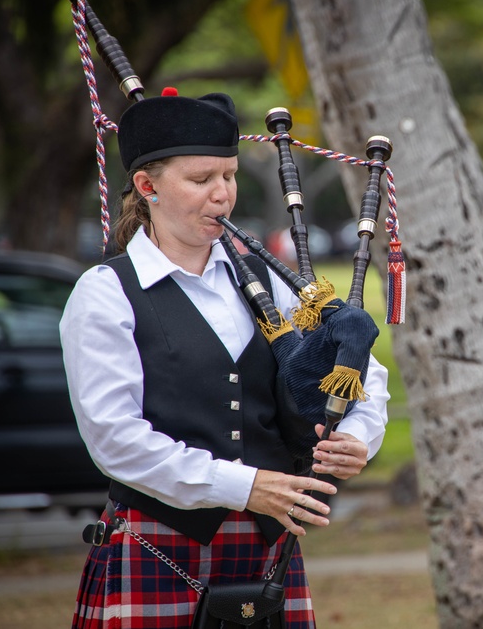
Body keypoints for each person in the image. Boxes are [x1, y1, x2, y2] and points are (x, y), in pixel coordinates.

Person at [60, 88, 389, 629]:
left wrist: (360, 434)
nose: (222, 196)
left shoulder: (266, 281)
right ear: (148, 187)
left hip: (265, 554)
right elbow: (114, 438)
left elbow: (359, 364)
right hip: (157, 545)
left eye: (229, 176)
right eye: (200, 180)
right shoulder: (106, 293)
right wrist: (246, 486)